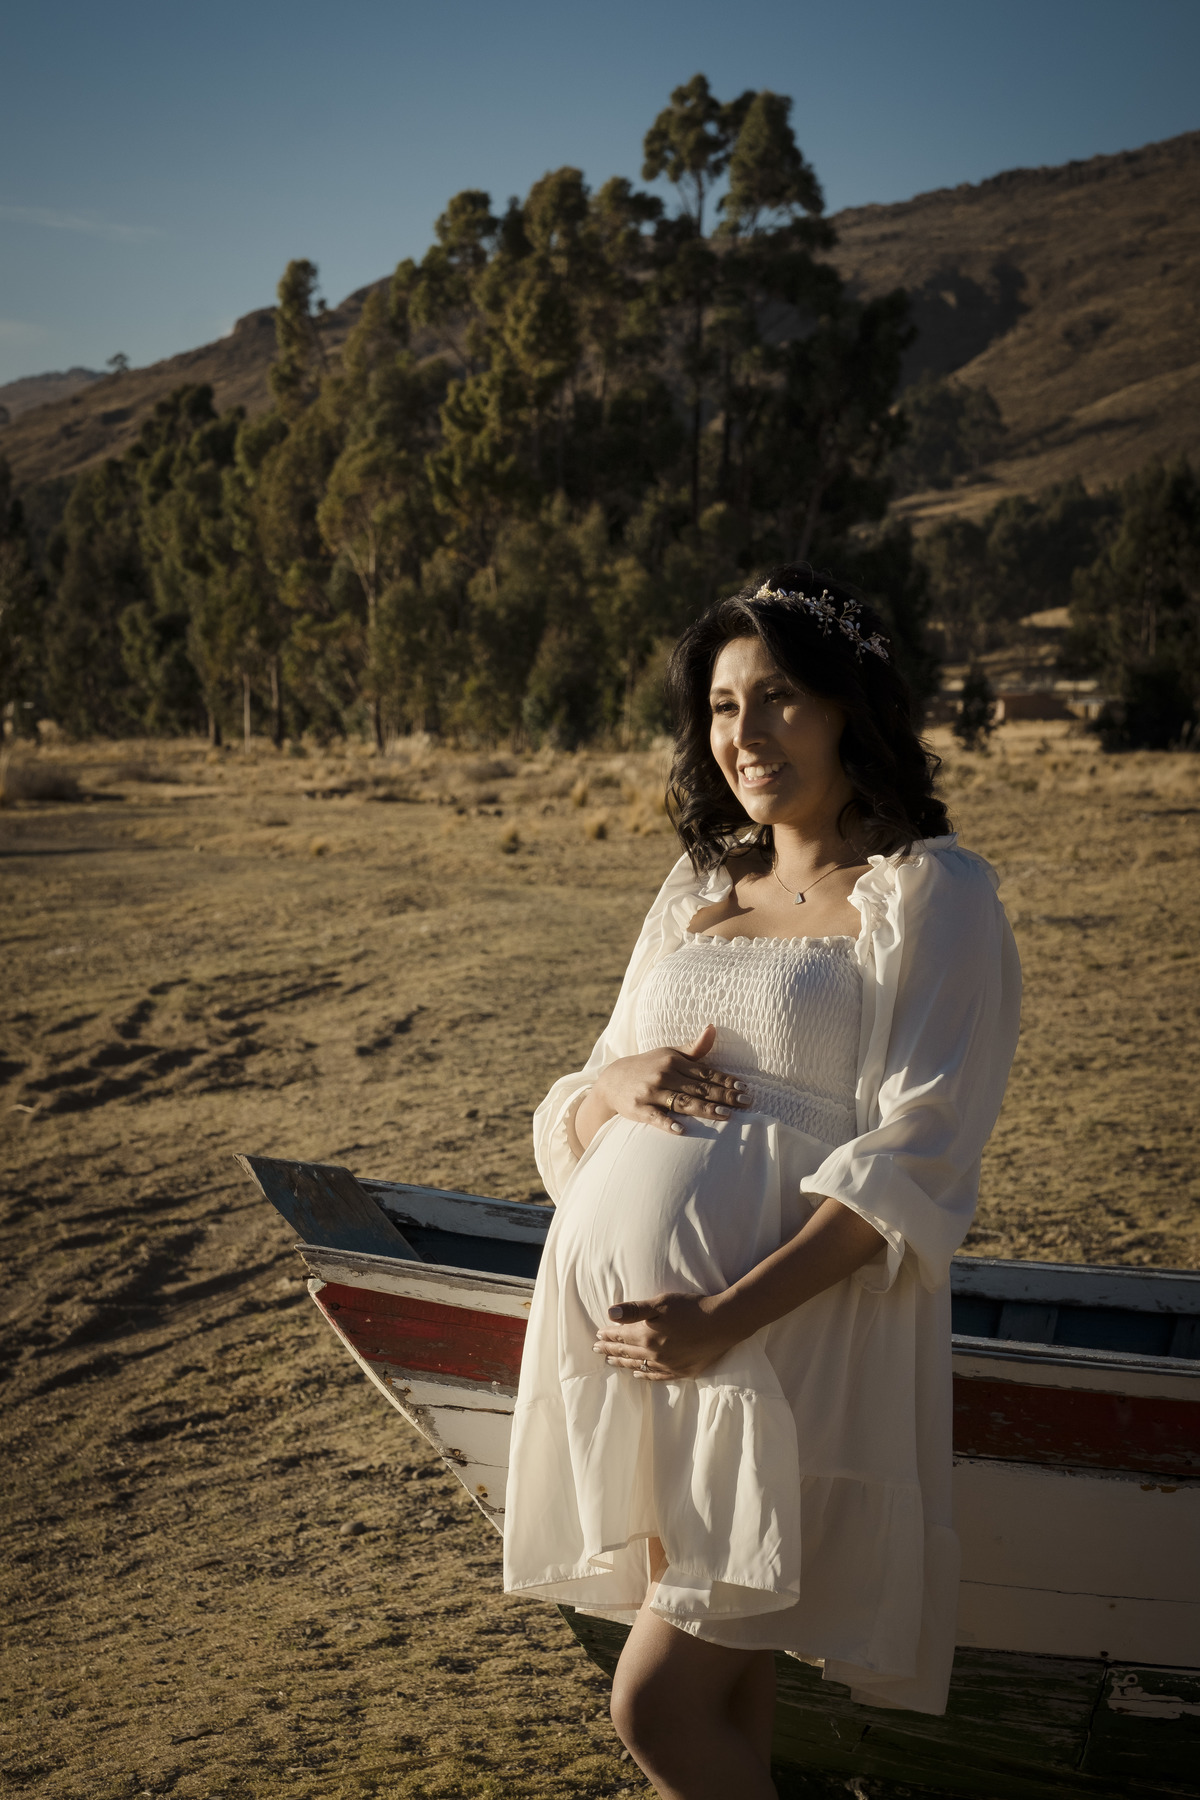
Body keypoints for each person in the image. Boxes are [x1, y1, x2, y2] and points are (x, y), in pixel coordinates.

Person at [502, 568, 1021, 1800]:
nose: (745, 734)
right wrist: (619, 1077)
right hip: (663, 1367)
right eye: (725, 707)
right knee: (729, 1689)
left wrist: (721, 1321)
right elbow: (575, 1106)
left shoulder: (929, 895)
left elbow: (918, 1157)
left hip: (784, 1349)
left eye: (779, 698)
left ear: (852, 708)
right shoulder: (694, 893)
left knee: (655, 1704)